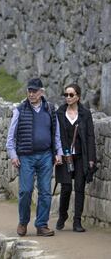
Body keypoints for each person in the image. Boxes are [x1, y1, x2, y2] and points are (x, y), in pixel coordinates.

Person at [6, 78, 63, 237]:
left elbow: (56, 134)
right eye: (29, 91)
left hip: (46, 156)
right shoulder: (19, 109)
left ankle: (41, 225)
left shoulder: (51, 109)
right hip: (26, 157)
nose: (31, 94)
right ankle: (23, 222)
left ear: (41, 92)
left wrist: (58, 153)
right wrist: (13, 155)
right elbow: (11, 136)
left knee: (45, 192)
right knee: (25, 190)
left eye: (34, 91)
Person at [55, 84, 96, 232]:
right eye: (65, 94)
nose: (68, 97)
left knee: (79, 188)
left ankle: (77, 221)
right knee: (65, 188)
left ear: (78, 96)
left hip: (81, 156)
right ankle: (62, 215)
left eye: (71, 95)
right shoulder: (59, 112)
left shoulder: (85, 114)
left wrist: (91, 158)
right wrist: (57, 153)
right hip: (65, 156)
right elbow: (55, 135)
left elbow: (90, 136)